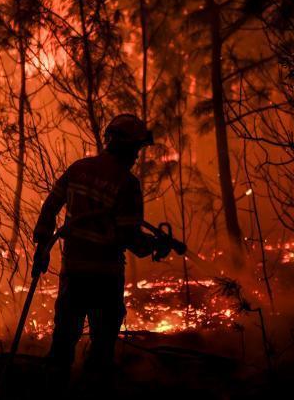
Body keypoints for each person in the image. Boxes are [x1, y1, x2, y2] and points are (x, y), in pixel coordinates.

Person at [32, 114, 172, 392]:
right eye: (136, 149)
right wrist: (155, 247)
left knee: (63, 341)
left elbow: (49, 208)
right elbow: (128, 237)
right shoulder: (127, 184)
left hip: (73, 273)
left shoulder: (78, 169)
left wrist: (42, 246)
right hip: (105, 279)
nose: (136, 156)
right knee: (102, 348)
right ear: (126, 147)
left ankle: (53, 389)